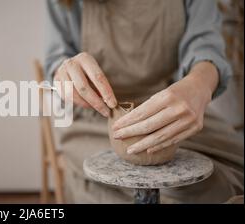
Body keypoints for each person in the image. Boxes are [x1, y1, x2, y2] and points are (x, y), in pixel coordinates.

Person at [45, 0, 243, 203]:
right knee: (192, 190)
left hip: (172, 107)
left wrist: (199, 84)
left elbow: (204, 43)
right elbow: (55, 59)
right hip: (96, 115)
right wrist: (64, 72)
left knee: (230, 178)